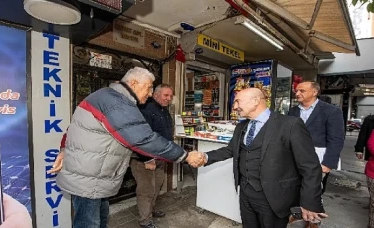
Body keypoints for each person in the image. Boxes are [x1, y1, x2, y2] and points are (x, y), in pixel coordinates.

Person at [47, 67, 201, 228]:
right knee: (89, 223)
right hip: (88, 179)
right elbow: (143, 139)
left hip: (95, 177)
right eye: (148, 87)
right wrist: (186, 156)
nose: (150, 93)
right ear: (133, 83)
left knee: (100, 220)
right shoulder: (116, 102)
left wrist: (65, 149)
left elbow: (75, 128)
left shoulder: (110, 97)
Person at [188, 88, 327, 228]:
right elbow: (231, 150)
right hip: (246, 194)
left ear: (255, 101)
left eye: (237, 101)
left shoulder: (290, 125)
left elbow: (310, 166)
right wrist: (205, 157)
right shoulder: (241, 126)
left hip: (275, 198)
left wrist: (310, 203)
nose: (234, 107)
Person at [288, 81, 344, 193]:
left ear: (314, 92)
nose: (297, 93)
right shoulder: (293, 111)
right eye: (296, 91)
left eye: (302, 91)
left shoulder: (331, 111)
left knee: (313, 191)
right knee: (294, 189)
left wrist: (328, 163)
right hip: (294, 157)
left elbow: (336, 139)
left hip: (318, 158)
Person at [131, 84, 174, 228]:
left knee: (156, 187)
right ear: (155, 95)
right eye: (165, 95)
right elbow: (140, 137)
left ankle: (151, 210)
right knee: (146, 190)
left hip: (160, 158)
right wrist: (146, 158)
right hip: (145, 160)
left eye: (170, 96)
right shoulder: (145, 109)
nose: (169, 98)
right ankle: (145, 220)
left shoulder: (164, 110)